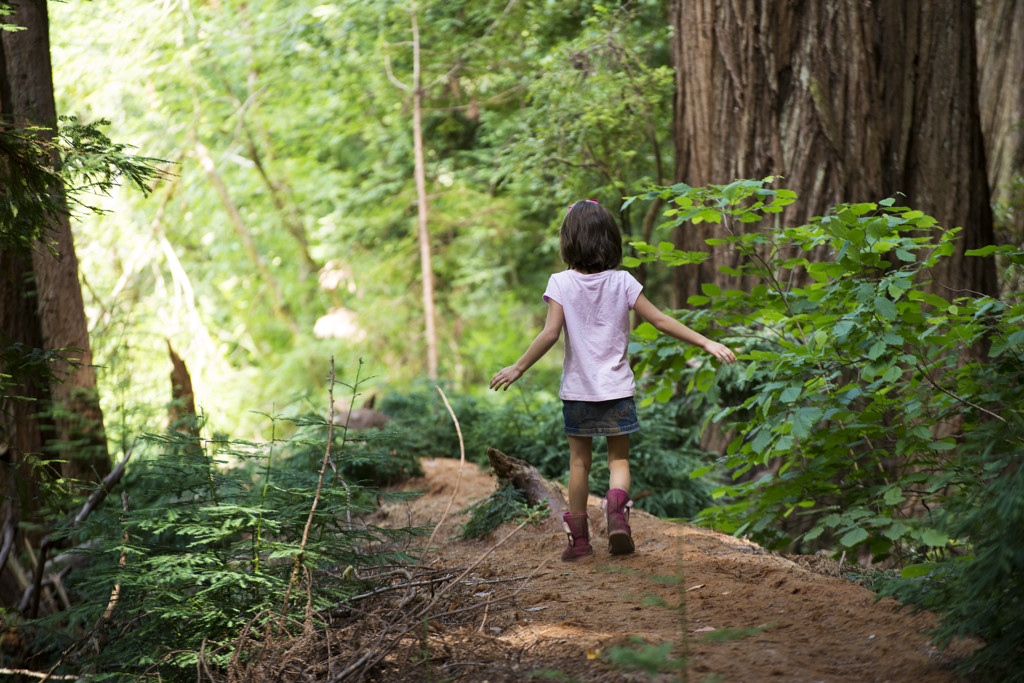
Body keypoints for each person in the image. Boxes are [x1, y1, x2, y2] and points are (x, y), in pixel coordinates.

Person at [489, 199, 737, 561]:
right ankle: (617, 512)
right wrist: (705, 341)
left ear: (568, 241)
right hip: (617, 388)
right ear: (610, 240)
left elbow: (550, 334)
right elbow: (661, 320)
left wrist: (519, 367)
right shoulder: (623, 281)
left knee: (579, 464)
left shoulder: (560, 283)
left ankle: (580, 543)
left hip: (578, 391)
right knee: (618, 462)